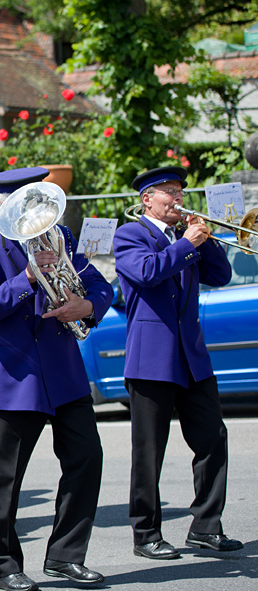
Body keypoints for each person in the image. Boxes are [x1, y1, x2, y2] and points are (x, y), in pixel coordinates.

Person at [0, 167, 113, 591]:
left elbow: (103, 287)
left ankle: (66, 555)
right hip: (15, 377)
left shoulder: (59, 236)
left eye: (40, 204)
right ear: (5, 208)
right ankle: (6, 565)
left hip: (64, 372)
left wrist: (85, 305)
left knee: (86, 460)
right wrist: (28, 277)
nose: (37, 214)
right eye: (26, 207)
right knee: (5, 478)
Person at [113, 166, 242, 559]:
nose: (177, 198)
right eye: (168, 191)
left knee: (212, 439)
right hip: (151, 359)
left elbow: (221, 275)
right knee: (149, 451)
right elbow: (148, 273)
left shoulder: (187, 240)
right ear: (146, 199)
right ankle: (146, 533)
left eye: (180, 191)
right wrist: (187, 242)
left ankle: (206, 526)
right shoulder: (130, 235)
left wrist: (207, 241)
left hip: (192, 357)